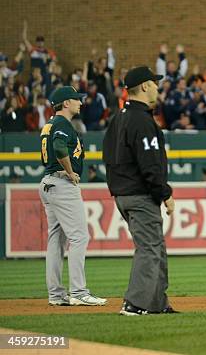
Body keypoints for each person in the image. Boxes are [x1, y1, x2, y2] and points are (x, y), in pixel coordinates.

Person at [103, 66, 177, 316]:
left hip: (123, 193)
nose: (157, 86)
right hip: (140, 193)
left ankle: (156, 303)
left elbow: (108, 158)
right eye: (154, 83)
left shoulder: (118, 119)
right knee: (148, 248)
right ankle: (135, 303)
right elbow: (150, 163)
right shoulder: (142, 120)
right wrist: (164, 193)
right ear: (145, 86)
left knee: (155, 246)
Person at [39, 86, 107, 307]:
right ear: (65, 103)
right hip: (61, 183)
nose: (80, 102)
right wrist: (70, 172)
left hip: (49, 182)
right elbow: (59, 149)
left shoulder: (49, 124)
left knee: (56, 240)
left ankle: (56, 295)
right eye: (76, 99)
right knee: (79, 237)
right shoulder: (61, 124)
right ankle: (78, 291)